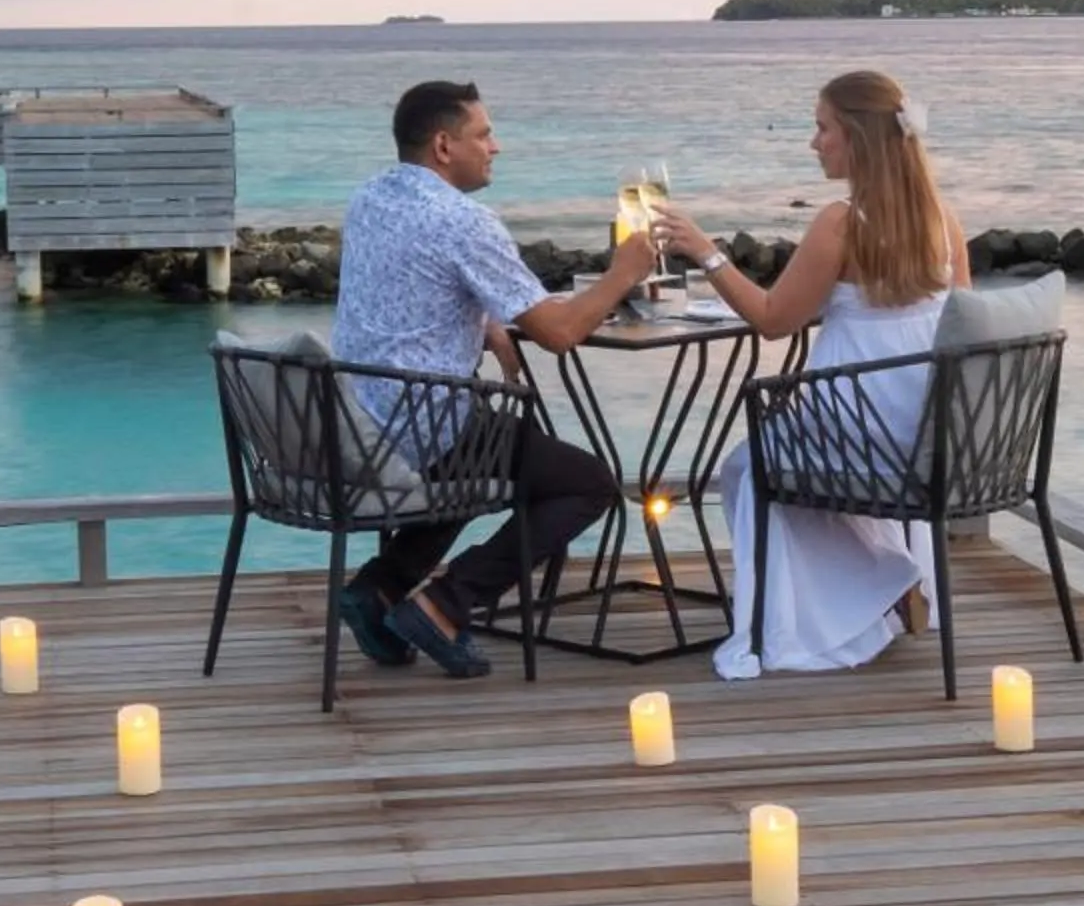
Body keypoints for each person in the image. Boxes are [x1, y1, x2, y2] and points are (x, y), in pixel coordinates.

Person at [331, 80, 656, 678]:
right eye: (483, 134)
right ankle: (446, 604)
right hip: (421, 422)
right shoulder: (463, 221)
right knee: (588, 485)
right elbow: (559, 333)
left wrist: (482, 320)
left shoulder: (371, 197)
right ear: (443, 146)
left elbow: (410, 285)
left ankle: (378, 590)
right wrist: (622, 275)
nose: (495, 147)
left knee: (484, 449)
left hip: (358, 414)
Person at [653, 69, 970, 679]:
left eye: (822, 128)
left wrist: (704, 251)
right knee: (764, 467)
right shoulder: (944, 222)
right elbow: (961, 325)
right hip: (923, 435)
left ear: (854, 137)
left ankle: (878, 583)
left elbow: (773, 320)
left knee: (747, 471)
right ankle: (883, 584)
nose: (814, 142)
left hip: (855, 429)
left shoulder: (840, 223)